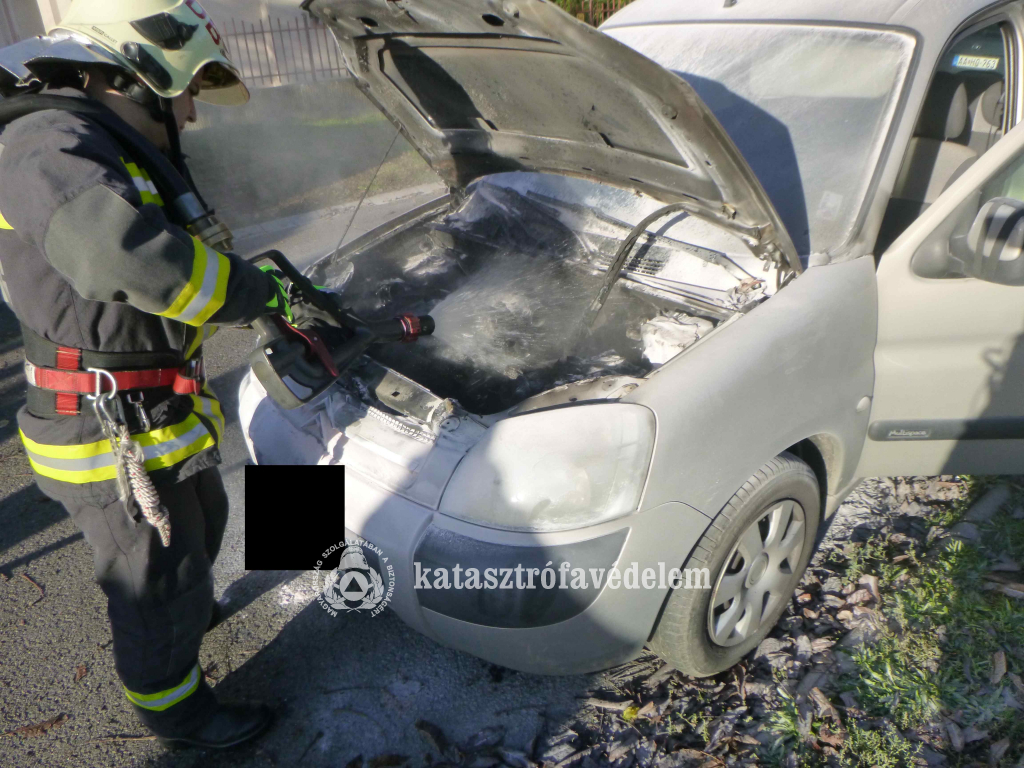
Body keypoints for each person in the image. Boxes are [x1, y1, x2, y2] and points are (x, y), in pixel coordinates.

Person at [0, 0, 295, 749]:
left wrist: (253, 294)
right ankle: (178, 715)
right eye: (187, 91)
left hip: (154, 410)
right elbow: (119, 256)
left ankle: (187, 623)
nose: (191, 113)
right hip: (102, 430)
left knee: (202, 531)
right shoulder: (47, 145)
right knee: (154, 582)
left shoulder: (96, 142)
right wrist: (250, 295)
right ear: (137, 74)